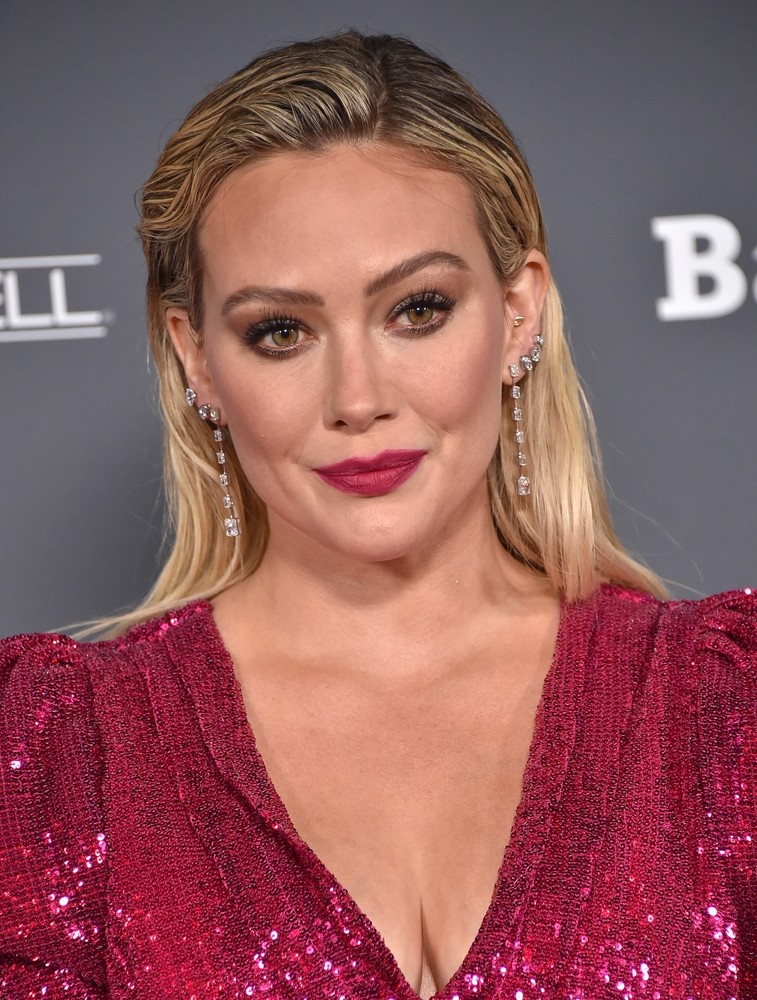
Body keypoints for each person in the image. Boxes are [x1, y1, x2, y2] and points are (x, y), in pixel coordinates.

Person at [0, 30, 754, 1000]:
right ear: (196, 358)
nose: (357, 399)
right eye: (281, 331)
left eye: (417, 309)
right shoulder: (59, 761)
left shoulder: (722, 713)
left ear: (518, 312)